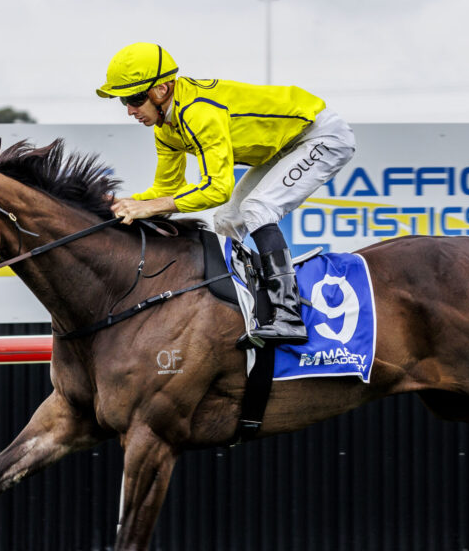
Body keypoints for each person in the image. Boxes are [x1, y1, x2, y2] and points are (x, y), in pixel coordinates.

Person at [96, 42, 356, 349]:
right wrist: (126, 204)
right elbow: (167, 190)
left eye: (134, 99)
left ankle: (288, 315)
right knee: (227, 220)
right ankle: (242, 308)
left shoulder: (198, 112)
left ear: (162, 90)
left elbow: (218, 189)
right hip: (283, 145)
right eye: (123, 100)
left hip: (321, 136)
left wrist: (149, 207)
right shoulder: (165, 128)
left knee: (258, 208)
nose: (129, 110)